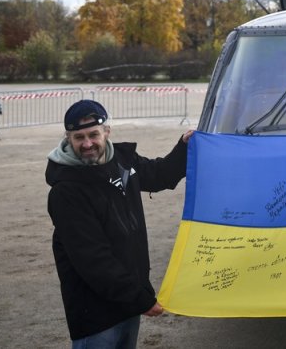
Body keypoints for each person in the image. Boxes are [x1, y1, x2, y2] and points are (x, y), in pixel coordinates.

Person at [46, 99, 193, 347]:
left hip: (128, 301)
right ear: (68, 138)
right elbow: (93, 259)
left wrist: (185, 147)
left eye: (93, 134)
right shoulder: (66, 190)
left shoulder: (123, 161)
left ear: (107, 132)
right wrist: (139, 299)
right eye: (78, 137)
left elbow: (161, 175)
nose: (87, 143)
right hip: (95, 313)